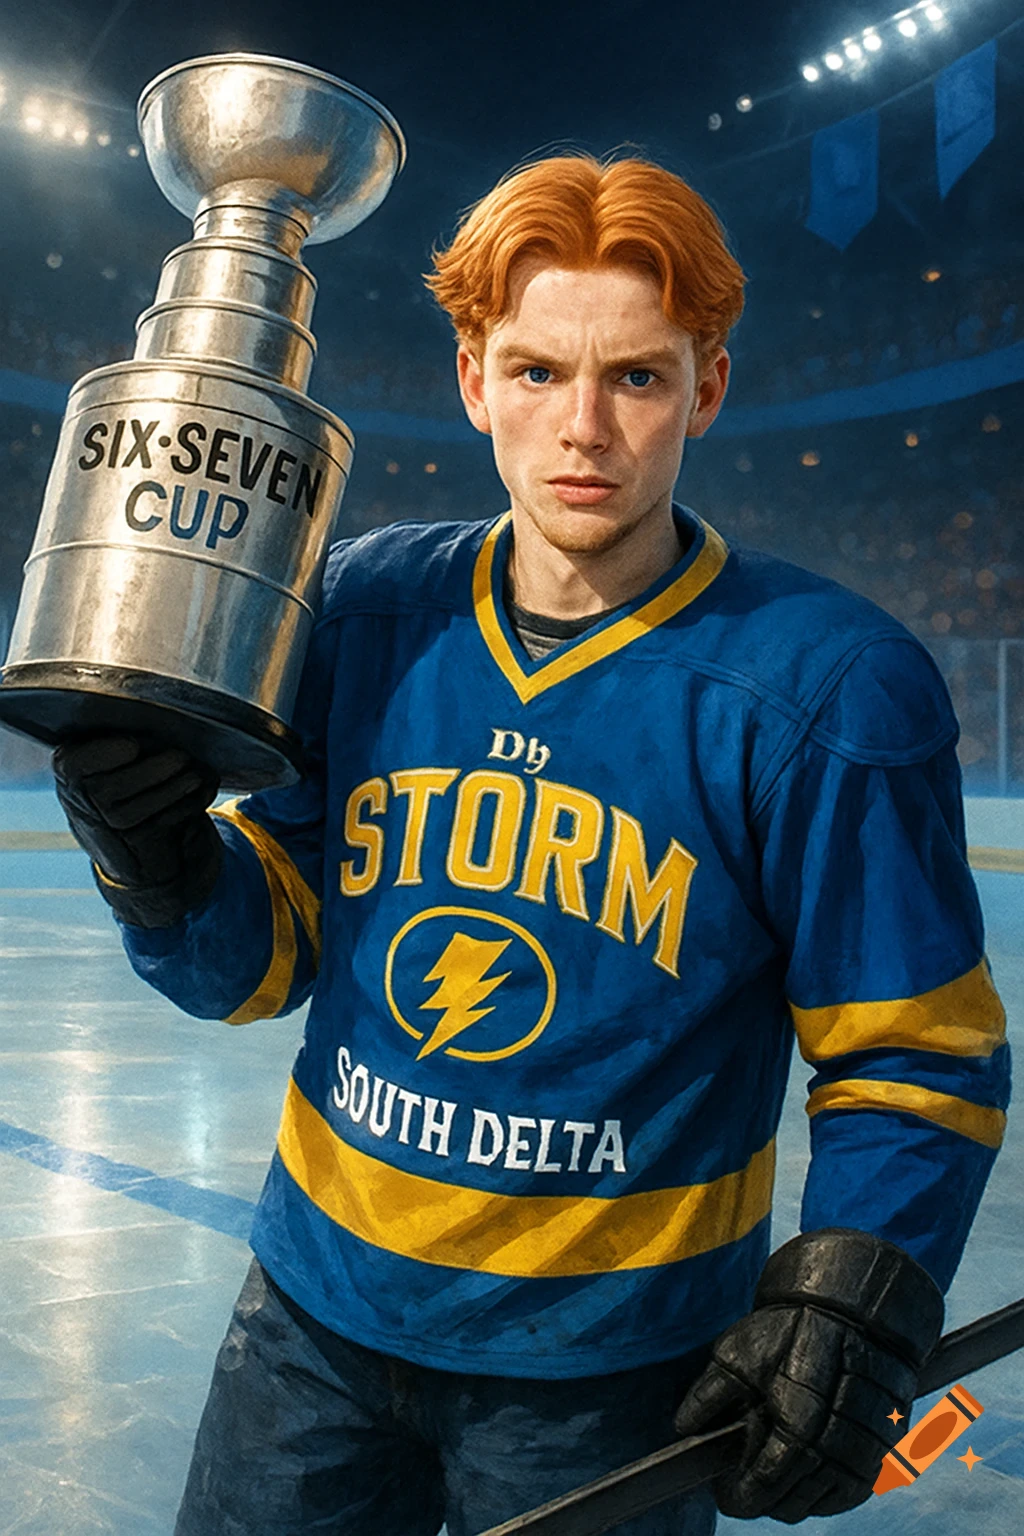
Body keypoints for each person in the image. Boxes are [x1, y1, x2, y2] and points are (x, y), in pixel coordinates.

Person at [53, 155, 1010, 1534]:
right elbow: (258, 965)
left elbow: (914, 1052)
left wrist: (859, 1280)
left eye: (635, 378)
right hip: (311, 1332)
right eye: (537, 371)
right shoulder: (367, 612)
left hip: (614, 1385)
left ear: (707, 388)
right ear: (471, 379)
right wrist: (164, 870)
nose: (585, 429)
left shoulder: (831, 687)